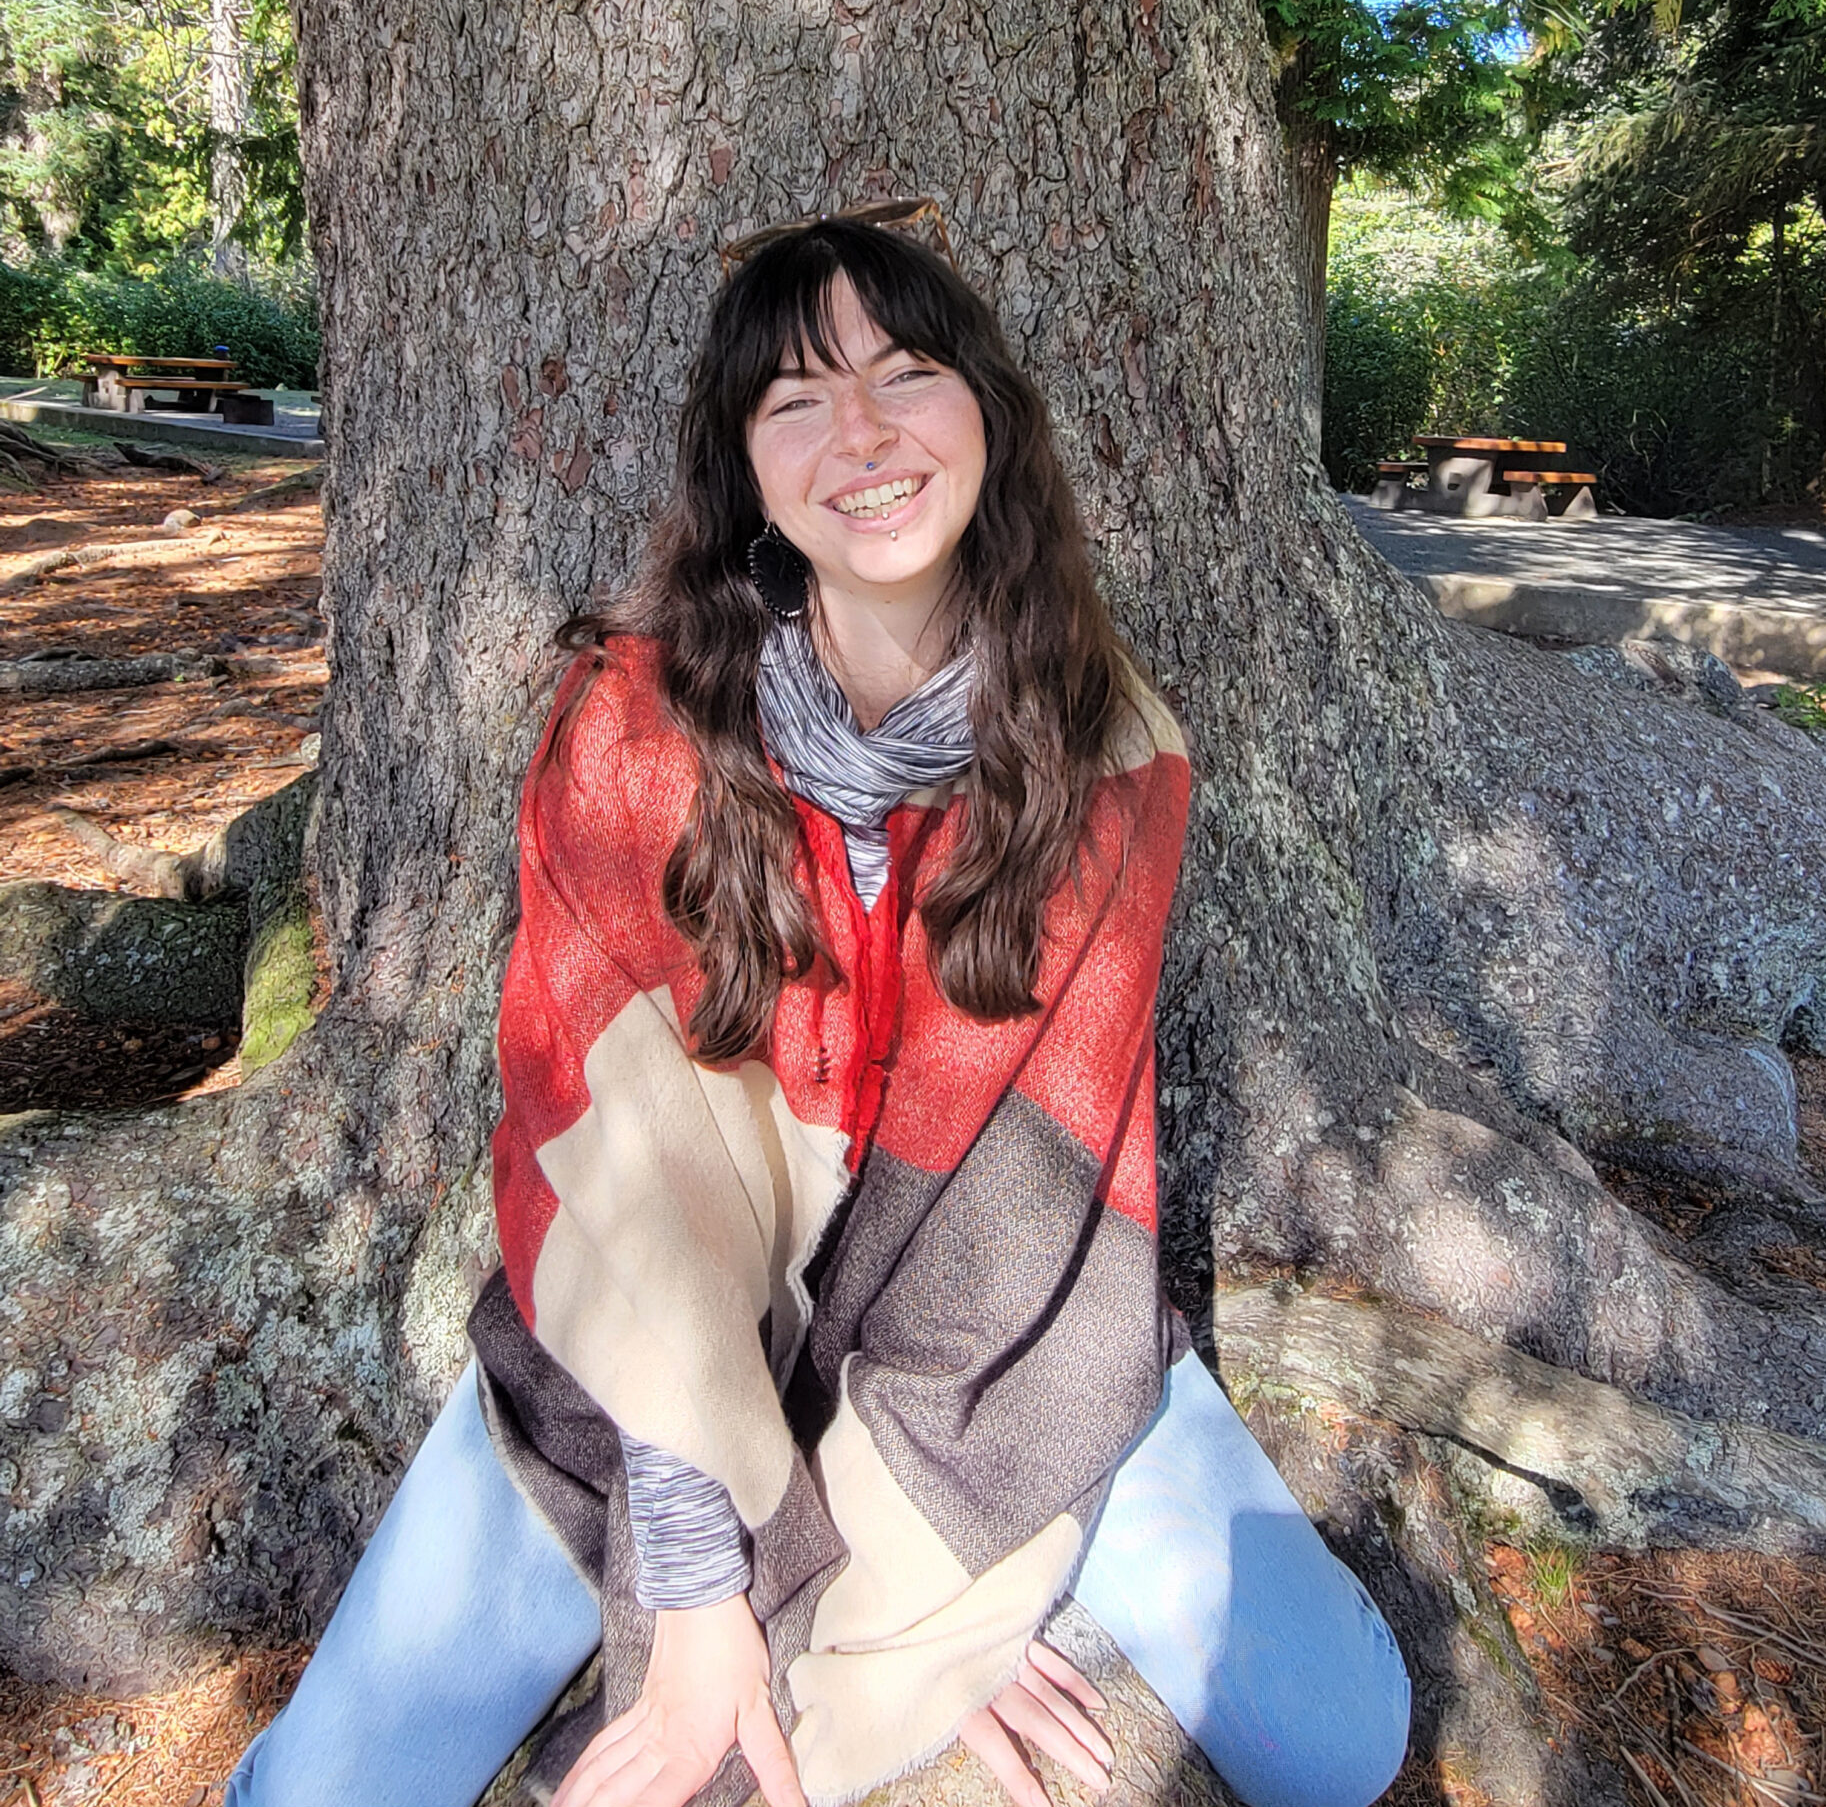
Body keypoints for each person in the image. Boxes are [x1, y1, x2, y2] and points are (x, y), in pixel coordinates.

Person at [226, 211, 1410, 1807]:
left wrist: (926, 1611)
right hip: (650, 1357)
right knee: (324, 1793)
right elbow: (624, 1195)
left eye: (907, 373)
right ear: (746, 469)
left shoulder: (1111, 757)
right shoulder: (632, 726)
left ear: (987, 413)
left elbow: (1020, 1234)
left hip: (995, 1358)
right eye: (795, 397)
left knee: (1337, 1739)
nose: (860, 432)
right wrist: (705, 1591)